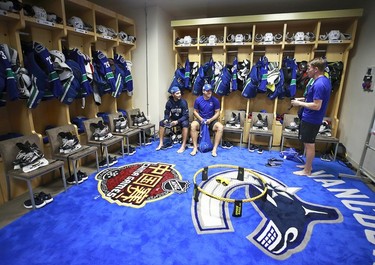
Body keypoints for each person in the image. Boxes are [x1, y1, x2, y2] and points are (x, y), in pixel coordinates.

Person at [291, 57, 332, 176]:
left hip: (312, 118)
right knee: (307, 142)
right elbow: (314, 99)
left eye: (309, 68)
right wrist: (302, 99)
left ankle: (307, 170)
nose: (306, 70)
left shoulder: (320, 84)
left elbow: (317, 105)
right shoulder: (322, 81)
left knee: (309, 144)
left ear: (316, 69)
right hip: (309, 117)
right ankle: (307, 165)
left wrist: (299, 103)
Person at [190, 83, 223, 157]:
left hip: (211, 120)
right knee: (193, 125)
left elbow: (218, 112)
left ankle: (214, 149)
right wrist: (200, 119)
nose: (209, 92)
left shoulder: (215, 100)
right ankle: (195, 148)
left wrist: (210, 120)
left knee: (220, 127)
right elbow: (195, 111)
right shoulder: (198, 100)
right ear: (203, 91)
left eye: (210, 90)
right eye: (207, 91)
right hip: (201, 119)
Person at [156, 86, 189, 153]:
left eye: (180, 93)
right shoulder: (169, 102)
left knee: (185, 124)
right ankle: (161, 143)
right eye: (177, 93)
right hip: (173, 119)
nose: (179, 94)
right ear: (173, 94)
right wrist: (166, 119)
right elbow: (167, 113)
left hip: (182, 119)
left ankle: (183, 145)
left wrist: (177, 121)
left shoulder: (183, 102)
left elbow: (186, 115)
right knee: (162, 123)